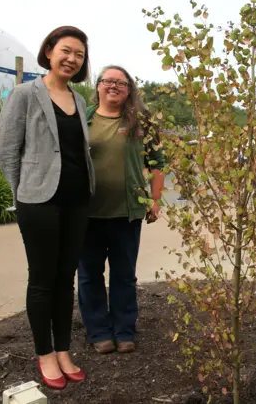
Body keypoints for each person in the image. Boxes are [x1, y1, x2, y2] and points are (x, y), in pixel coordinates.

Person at [0, 26, 94, 389]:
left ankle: (64, 349)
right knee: (42, 280)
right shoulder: (24, 94)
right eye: (66, 51)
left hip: (77, 201)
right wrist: (23, 194)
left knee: (65, 279)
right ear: (50, 51)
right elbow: (7, 151)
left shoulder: (80, 100)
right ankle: (45, 353)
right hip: (38, 202)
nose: (72, 59)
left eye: (79, 55)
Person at [77, 65, 165, 354]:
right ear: (98, 86)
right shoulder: (82, 119)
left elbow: (158, 163)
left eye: (121, 83)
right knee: (89, 275)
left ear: (129, 90)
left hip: (126, 213)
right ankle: (99, 332)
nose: (113, 86)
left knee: (124, 275)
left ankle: (124, 329)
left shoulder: (141, 122)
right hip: (86, 213)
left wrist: (155, 200)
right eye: (108, 81)